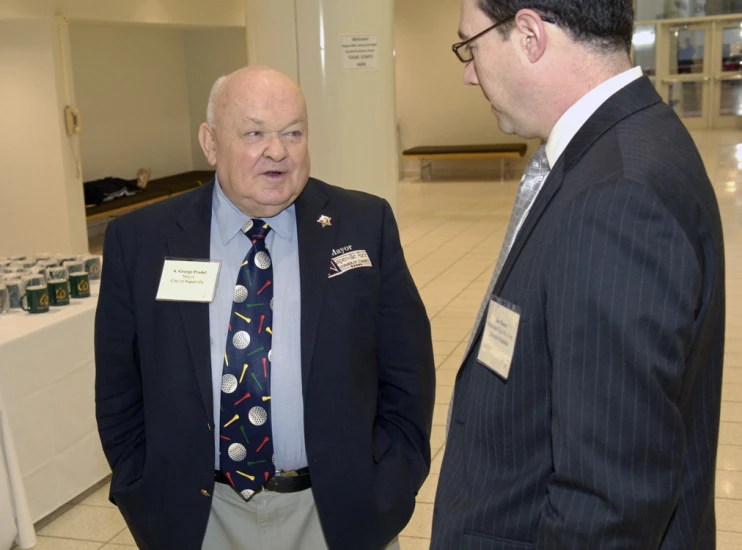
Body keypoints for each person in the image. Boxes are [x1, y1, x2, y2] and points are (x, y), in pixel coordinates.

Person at [95, 66, 435, 550]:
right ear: (210, 144)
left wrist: (392, 481)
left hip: (336, 513)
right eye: (254, 133)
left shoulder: (363, 223)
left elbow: (409, 374)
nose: (278, 151)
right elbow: (118, 388)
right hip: (199, 517)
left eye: (293, 133)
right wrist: (142, 489)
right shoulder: (142, 241)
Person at [432, 1, 725, 548]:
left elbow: (610, 502)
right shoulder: (629, 140)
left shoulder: (617, 194)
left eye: (470, 46)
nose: (469, 72)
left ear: (528, 35)